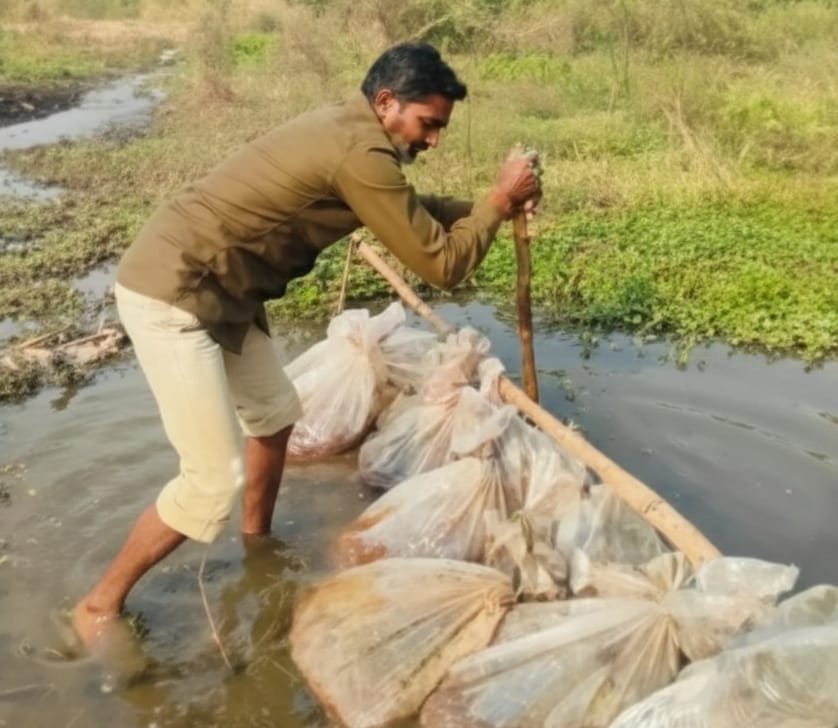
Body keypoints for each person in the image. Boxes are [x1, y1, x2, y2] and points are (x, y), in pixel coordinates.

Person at [72, 42, 541, 648]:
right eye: (429, 125)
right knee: (210, 482)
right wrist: (498, 203)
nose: (433, 141)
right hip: (177, 292)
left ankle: (257, 544)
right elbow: (442, 264)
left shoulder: (353, 134)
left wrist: (490, 209)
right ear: (387, 102)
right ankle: (97, 606)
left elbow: (411, 210)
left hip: (226, 294)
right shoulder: (360, 151)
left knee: (273, 418)